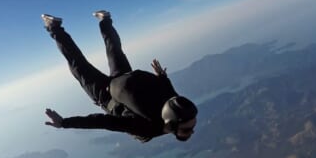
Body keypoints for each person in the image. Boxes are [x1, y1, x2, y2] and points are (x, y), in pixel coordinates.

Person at [41, 10, 198, 143]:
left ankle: (105, 20)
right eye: (188, 129)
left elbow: (170, 91)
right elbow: (102, 121)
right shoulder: (146, 128)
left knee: (114, 49)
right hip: (107, 96)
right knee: (78, 64)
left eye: (189, 129)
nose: (192, 132)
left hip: (125, 77)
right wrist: (64, 123)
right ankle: (54, 28)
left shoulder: (172, 106)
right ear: (170, 125)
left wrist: (162, 77)